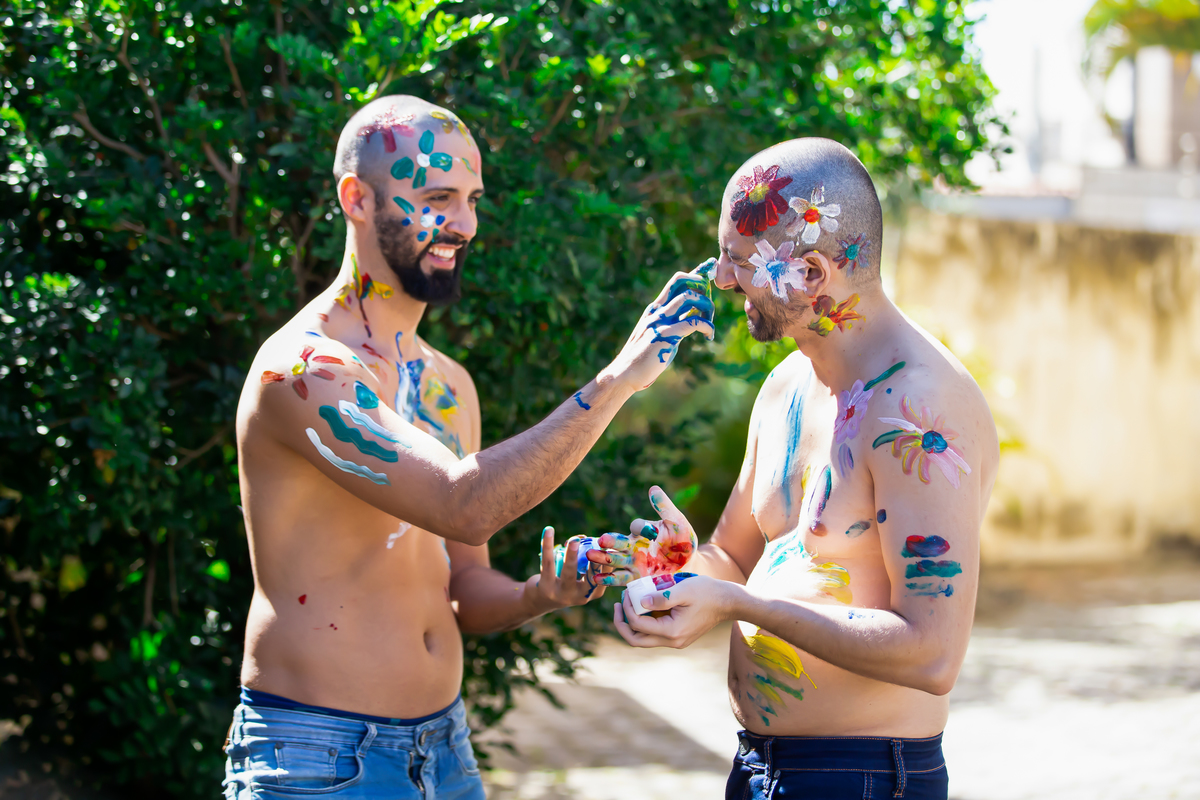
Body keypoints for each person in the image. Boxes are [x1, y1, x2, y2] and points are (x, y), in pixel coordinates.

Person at [222, 95, 715, 799]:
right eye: (436, 197)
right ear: (356, 199)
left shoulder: (449, 386)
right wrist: (616, 382)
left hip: (444, 752)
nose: (463, 223)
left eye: (472, 199)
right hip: (318, 757)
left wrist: (539, 593)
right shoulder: (303, 373)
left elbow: (463, 588)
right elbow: (465, 504)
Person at [589, 138, 999, 800]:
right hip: (758, 767)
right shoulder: (787, 386)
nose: (720, 279)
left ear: (810, 273)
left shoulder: (920, 410)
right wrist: (667, 570)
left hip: (865, 777)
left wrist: (739, 604)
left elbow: (932, 653)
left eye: (737, 260)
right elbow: (732, 555)